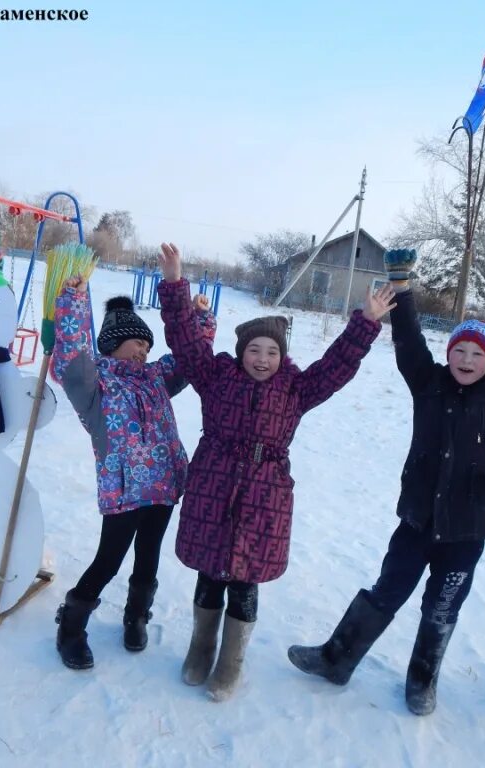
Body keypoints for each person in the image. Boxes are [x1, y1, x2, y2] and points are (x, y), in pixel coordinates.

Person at [288, 249, 485, 716]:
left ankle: (422, 683)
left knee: (441, 610)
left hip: (466, 531)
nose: (466, 359)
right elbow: (408, 340)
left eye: (476, 354)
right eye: (459, 351)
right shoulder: (428, 383)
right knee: (386, 591)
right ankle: (335, 659)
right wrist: (401, 288)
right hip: (417, 520)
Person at [156, 242, 395, 702]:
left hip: (264, 498)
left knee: (244, 581)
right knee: (209, 575)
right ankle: (200, 649)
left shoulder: (297, 389)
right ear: (241, 351)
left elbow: (336, 367)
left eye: (271, 351)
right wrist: (173, 286)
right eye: (254, 350)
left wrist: (365, 325)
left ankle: (230, 664)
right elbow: (185, 341)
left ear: (281, 356)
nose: (261, 358)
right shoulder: (216, 376)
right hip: (213, 487)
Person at [49, 276, 215, 670]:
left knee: (148, 557)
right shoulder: (93, 384)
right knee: (108, 560)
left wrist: (201, 320)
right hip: (124, 492)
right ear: (112, 343)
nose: (144, 349)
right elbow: (71, 355)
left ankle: (136, 615)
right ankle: (71, 627)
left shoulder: (157, 378)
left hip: (162, 487)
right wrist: (73, 301)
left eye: (147, 344)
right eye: (137, 342)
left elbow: (191, 356)